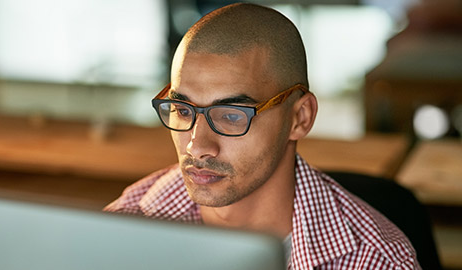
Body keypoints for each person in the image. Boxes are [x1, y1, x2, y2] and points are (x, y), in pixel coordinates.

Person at [105, 3, 421, 269]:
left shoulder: (376, 261)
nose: (197, 146)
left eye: (231, 116)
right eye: (183, 110)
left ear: (300, 117)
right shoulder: (118, 234)